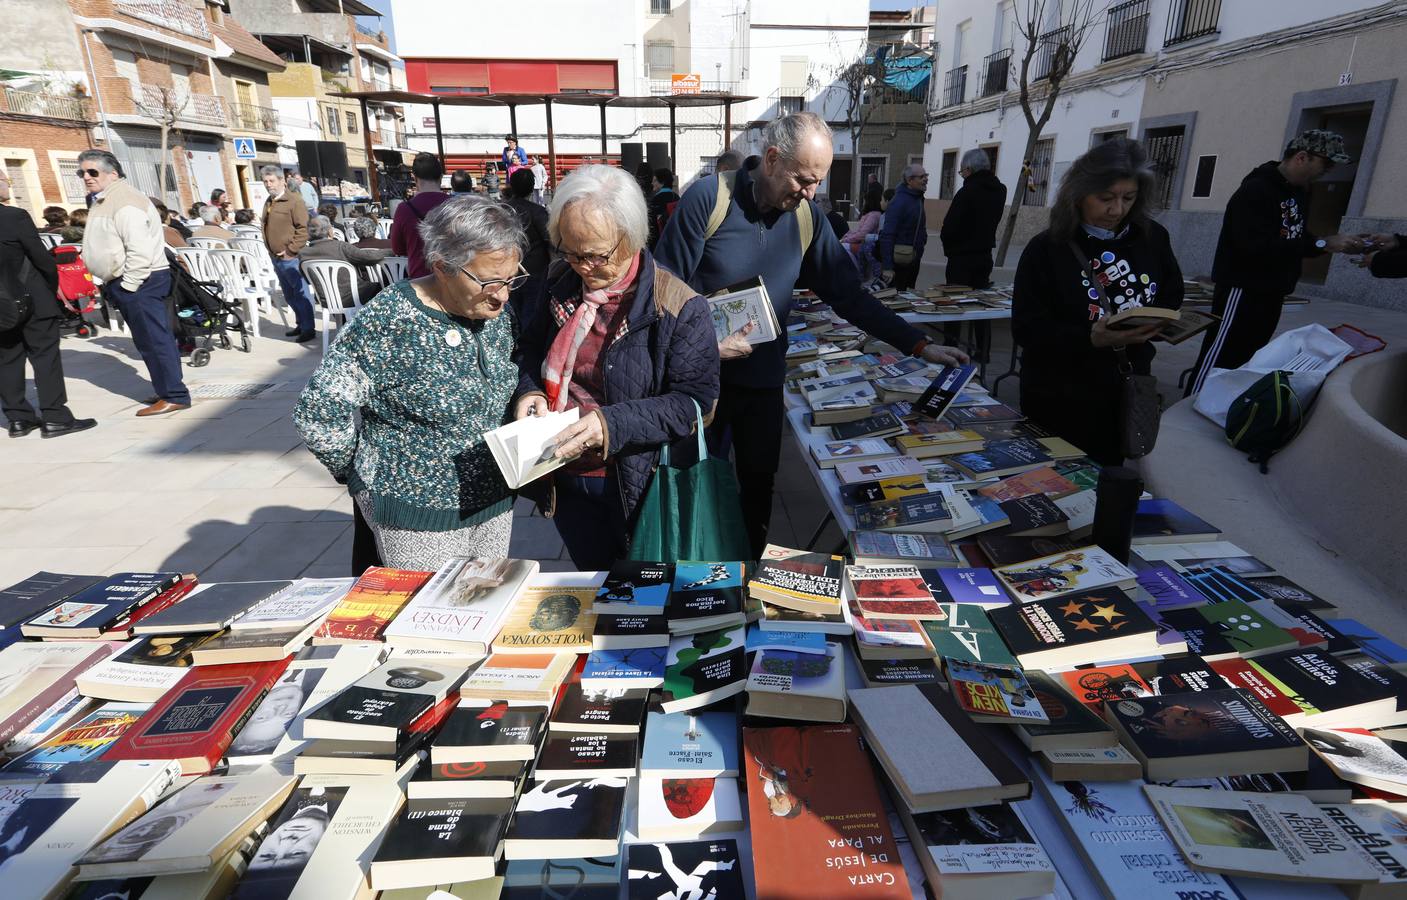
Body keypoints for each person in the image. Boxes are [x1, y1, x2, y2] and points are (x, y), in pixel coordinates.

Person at [655, 112, 967, 557]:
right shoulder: (710, 200)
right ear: (771, 159)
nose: (810, 193)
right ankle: (692, 581)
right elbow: (662, 291)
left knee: (758, 486)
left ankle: (745, 577)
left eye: (817, 182)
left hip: (762, 386)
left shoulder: (806, 218)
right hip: (701, 383)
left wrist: (918, 343)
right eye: (803, 180)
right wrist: (704, 343)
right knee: (694, 485)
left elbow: (850, 296)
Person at [294, 196, 530, 570]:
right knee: (426, 617)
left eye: (511, 278)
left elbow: (510, 365)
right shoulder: (392, 318)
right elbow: (319, 411)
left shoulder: (496, 311)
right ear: (442, 267)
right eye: (489, 281)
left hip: (493, 500)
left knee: (482, 606)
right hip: (416, 516)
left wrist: (525, 394)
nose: (502, 294)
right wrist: (357, 475)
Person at [514, 164, 720, 569]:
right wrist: (529, 392)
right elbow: (527, 348)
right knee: (594, 584)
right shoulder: (558, 280)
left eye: (595, 255)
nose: (582, 266)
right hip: (564, 476)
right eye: (570, 252)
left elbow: (696, 404)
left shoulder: (678, 305)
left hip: (637, 483)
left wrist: (608, 424)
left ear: (631, 238)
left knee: (643, 598)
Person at [1012, 139, 1183, 466]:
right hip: (1060, 395)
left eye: (1128, 198)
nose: (1116, 210)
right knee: (1057, 482)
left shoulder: (1153, 237)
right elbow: (1027, 329)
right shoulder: (1046, 249)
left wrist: (1158, 323)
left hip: (1125, 388)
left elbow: (1171, 292)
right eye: (1105, 198)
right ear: (1078, 196)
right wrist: (1090, 337)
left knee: (1109, 478)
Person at [1185, 130, 1357, 396]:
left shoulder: (1299, 191)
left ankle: (1219, 402)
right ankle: (1189, 403)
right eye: (1326, 163)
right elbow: (1252, 246)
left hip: (1273, 290)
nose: (1328, 171)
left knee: (1248, 354)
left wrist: (1323, 242)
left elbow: (1295, 236)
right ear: (1302, 157)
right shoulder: (1256, 190)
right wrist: (1322, 244)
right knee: (1221, 351)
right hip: (1243, 289)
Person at [79, 148, 192, 415]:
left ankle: (174, 394)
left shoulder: (125, 200)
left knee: (154, 339)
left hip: (141, 281)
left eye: (92, 171)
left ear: (113, 173)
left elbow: (138, 249)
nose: (86, 177)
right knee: (149, 339)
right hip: (132, 280)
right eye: (82, 172)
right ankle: (167, 387)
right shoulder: (105, 199)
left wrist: (129, 285)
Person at [0, 169, 94, 438]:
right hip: (30, 296)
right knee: (45, 356)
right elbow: (41, 259)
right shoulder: (13, 216)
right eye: (5, 181)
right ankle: (55, 416)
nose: (8, 186)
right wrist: (51, 288)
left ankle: (18, 419)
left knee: (6, 359)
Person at [259, 164, 317, 343]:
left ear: (282, 181)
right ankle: (301, 323)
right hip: (276, 256)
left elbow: (303, 229)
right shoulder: (270, 201)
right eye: (265, 181)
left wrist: (291, 250)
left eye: (272, 181)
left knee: (300, 293)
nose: (269, 184)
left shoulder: (294, 201)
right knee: (289, 294)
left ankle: (309, 328)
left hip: (290, 257)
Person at [941, 148, 1007, 288]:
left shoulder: (966, 192)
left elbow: (949, 227)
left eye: (961, 171)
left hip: (961, 259)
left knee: (959, 301)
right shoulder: (1000, 190)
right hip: (985, 256)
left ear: (969, 169)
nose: (962, 175)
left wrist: (950, 250)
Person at [299, 214, 391, 303]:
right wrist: (393, 251)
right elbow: (369, 257)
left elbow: (308, 280)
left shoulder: (303, 253)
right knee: (386, 286)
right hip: (354, 296)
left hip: (326, 300)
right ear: (329, 231)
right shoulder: (340, 246)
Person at [390, 152, 450, 279]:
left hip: (421, 281)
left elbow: (398, 249)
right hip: (453, 279)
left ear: (414, 177)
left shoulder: (404, 209)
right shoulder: (456, 205)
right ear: (440, 177)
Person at [879, 163, 930, 290]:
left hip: (912, 260)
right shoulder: (899, 202)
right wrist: (888, 267)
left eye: (926, 175)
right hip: (899, 263)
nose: (926, 179)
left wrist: (923, 240)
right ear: (909, 180)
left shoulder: (917, 198)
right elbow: (888, 235)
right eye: (921, 176)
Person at [503, 167, 550, 286]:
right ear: (531, 186)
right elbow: (548, 238)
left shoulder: (501, 209)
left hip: (506, 267)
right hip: (535, 268)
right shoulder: (538, 211)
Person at [841, 185, 884, 278]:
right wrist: (847, 236)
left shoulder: (874, 215)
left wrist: (846, 240)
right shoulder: (871, 215)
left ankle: (857, 274)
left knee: (842, 248)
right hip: (862, 242)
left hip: (866, 244)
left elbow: (862, 234)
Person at [646, 168, 679, 249]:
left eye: (655, 180)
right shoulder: (677, 198)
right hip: (674, 242)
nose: (652, 183)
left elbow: (650, 225)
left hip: (658, 243)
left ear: (662, 182)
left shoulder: (655, 200)